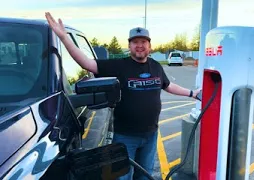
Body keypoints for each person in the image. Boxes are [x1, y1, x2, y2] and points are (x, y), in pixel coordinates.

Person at [45, 12, 201, 180]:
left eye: (143, 42)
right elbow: (86, 63)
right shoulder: (119, 66)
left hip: (151, 135)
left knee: (145, 175)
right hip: (125, 137)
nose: (139, 45)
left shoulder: (156, 66)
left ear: (149, 46)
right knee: (123, 177)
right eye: (135, 42)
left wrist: (192, 93)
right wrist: (63, 37)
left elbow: (168, 86)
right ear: (129, 46)